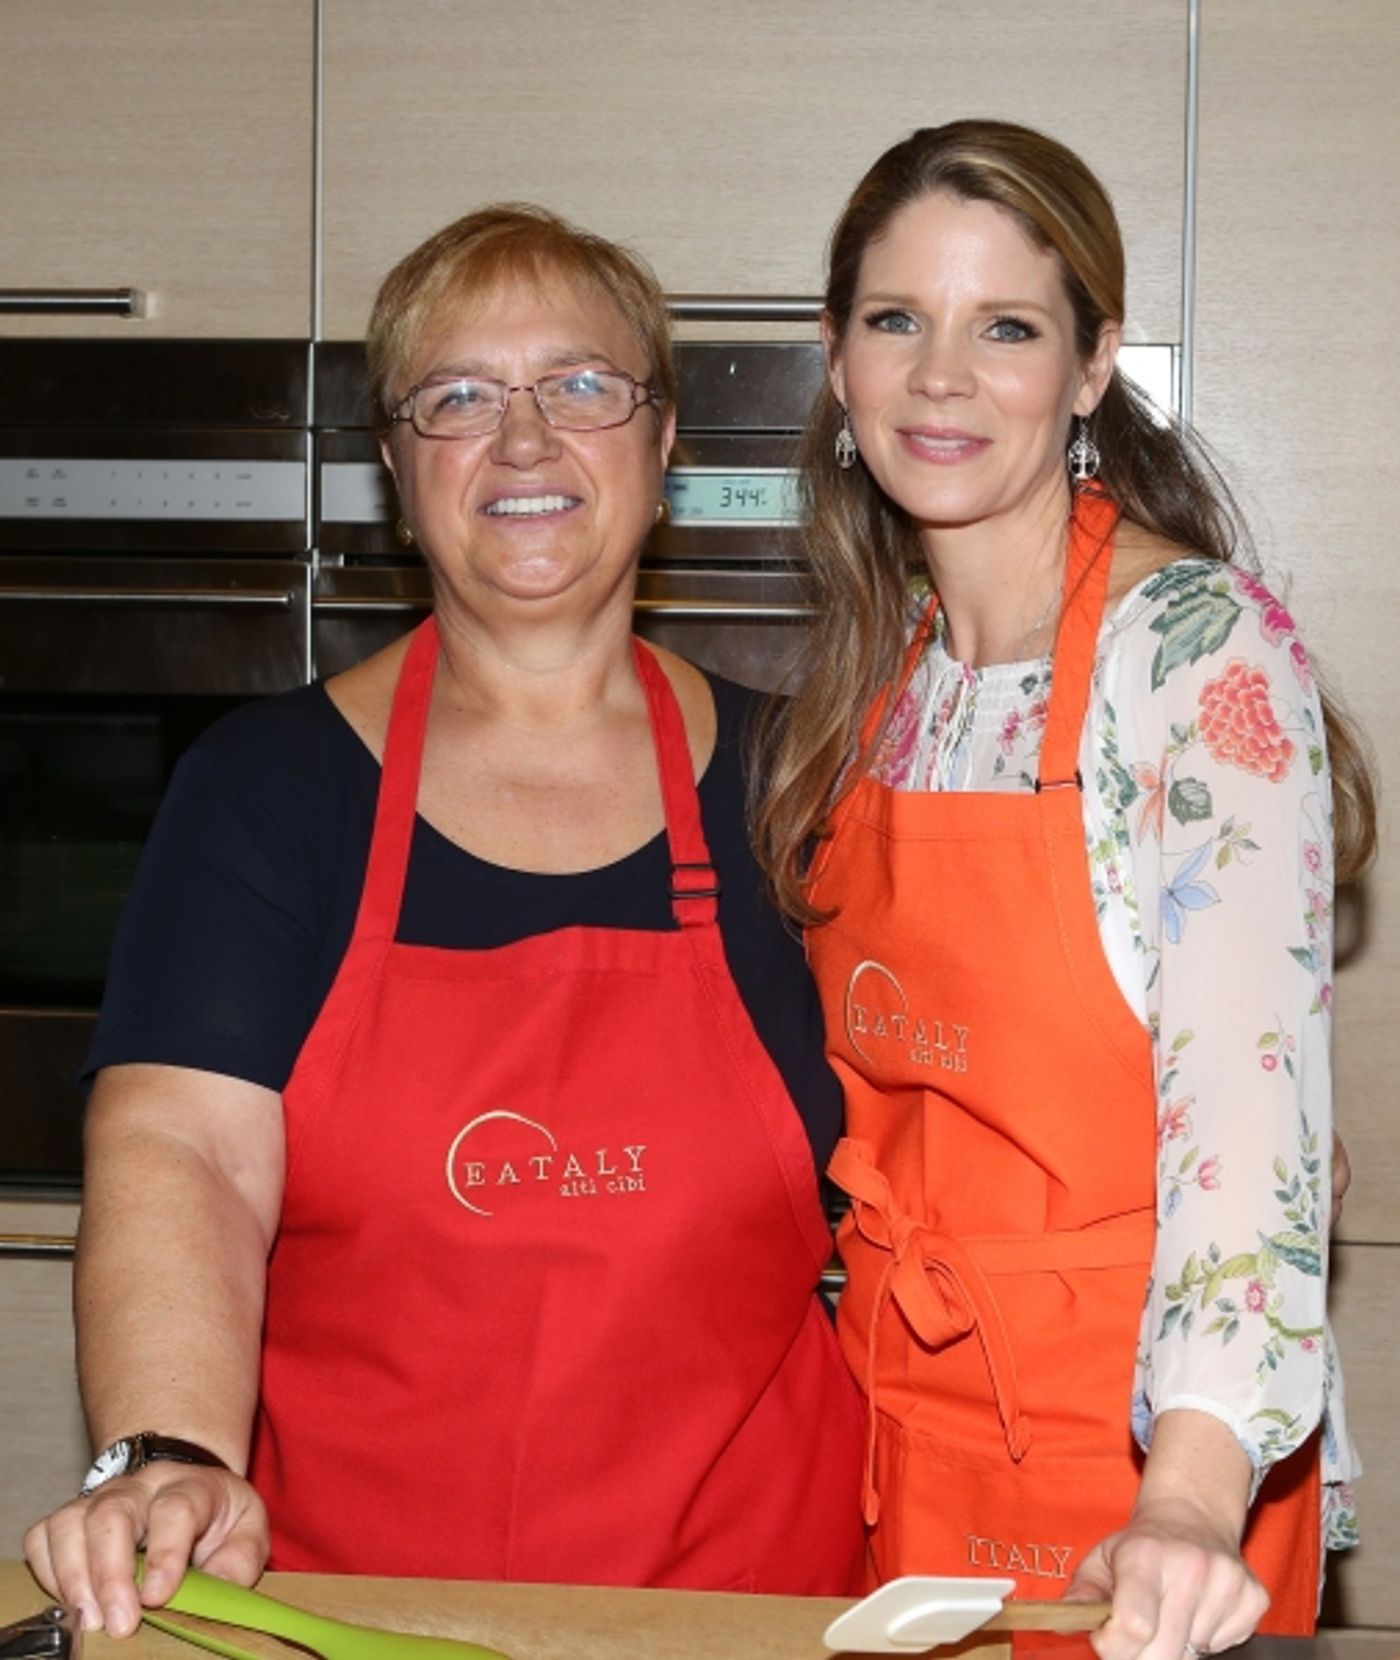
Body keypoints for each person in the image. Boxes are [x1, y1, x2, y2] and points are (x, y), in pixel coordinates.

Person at [25, 204, 865, 1635]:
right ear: (398, 467)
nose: (525, 442)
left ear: (662, 446)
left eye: (582, 386)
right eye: (459, 399)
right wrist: (167, 1449)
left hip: (752, 1613)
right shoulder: (266, 795)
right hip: (354, 1605)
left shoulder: (803, 785)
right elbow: (185, 1154)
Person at [754, 121, 1375, 1658]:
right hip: (903, 1406)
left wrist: (1193, 1488)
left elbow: (1248, 1115)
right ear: (838, 363)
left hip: (1141, 1454)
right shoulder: (879, 672)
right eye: (897, 321)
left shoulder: (1195, 653)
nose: (941, 377)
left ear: (1094, 368)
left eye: (1007, 328)